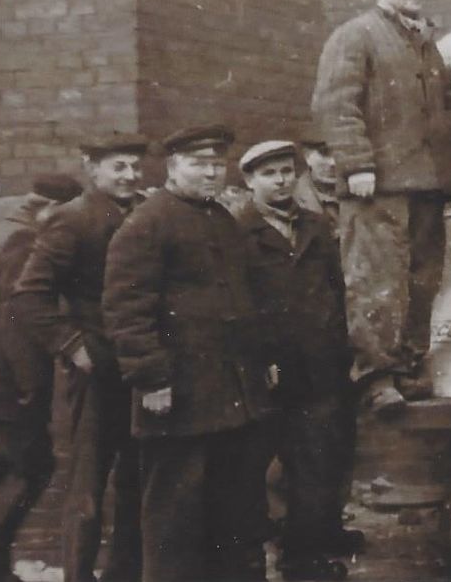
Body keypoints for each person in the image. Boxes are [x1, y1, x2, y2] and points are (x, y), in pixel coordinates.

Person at [311, 0, 451, 416]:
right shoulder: (356, 37)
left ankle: (407, 366)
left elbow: (447, 110)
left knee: (423, 280)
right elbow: (336, 106)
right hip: (377, 186)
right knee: (377, 281)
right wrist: (358, 164)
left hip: (427, 183)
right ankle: (376, 378)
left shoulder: (424, 44)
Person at [103, 124, 278, 582]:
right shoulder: (147, 222)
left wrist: (261, 363)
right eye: (199, 164)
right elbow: (126, 309)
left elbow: (242, 301)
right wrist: (151, 380)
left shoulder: (221, 219)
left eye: (217, 164)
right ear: (173, 167)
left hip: (229, 396)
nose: (210, 173)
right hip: (178, 397)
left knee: (231, 513)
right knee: (173, 518)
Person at [11, 133, 149, 582]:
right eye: (118, 167)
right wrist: (74, 347)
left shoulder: (147, 212)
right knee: (88, 486)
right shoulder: (73, 220)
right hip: (97, 371)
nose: (129, 176)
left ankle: (124, 574)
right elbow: (31, 294)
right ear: (92, 168)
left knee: (137, 480)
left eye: (134, 166)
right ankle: (77, 573)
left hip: (141, 367)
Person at [234, 141, 363, 582]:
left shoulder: (313, 225)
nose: (282, 180)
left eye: (287, 171)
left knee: (316, 462)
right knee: (256, 469)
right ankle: (250, 560)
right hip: (267, 371)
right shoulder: (238, 232)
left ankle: (301, 560)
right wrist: (258, 357)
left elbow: (335, 288)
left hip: (319, 366)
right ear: (249, 181)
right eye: (269, 174)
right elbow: (236, 305)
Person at [0, 174, 83, 582]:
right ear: (49, 209)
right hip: (4, 387)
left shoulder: (1, 233)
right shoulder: (23, 243)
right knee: (17, 476)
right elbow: (16, 323)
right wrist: (31, 391)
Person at [293, 129, 341, 226]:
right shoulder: (293, 198)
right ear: (307, 156)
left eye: (340, 154)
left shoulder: (360, 194)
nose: (333, 162)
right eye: (325, 153)